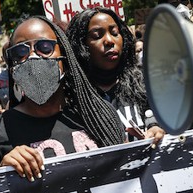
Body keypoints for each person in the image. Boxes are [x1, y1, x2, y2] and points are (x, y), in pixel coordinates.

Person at [0, 16, 139, 181]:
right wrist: (1, 172)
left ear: (65, 57)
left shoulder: (100, 115)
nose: (32, 57)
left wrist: (151, 145)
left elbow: (128, 177)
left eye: (44, 47)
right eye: (20, 51)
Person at [66, 8, 165, 140]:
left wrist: (156, 129)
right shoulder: (69, 97)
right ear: (80, 45)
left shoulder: (145, 83)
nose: (109, 41)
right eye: (97, 36)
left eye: (114, 33)